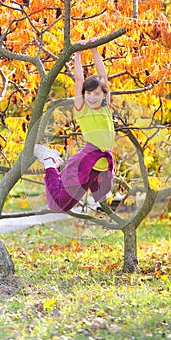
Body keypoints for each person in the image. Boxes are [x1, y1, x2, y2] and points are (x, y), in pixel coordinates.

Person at [34, 38, 115, 212]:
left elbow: (103, 75)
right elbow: (79, 79)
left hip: (98, 166)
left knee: (69, 206)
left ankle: (97, 200)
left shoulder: (105, 107)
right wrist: (78, 53)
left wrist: (94, 49)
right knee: (60, 203)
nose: (93, 97)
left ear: (104, 94)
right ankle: (50, 162)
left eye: (97, 94)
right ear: (84, 95)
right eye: (89, 94)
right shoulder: (82, 109)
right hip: (86, 161)